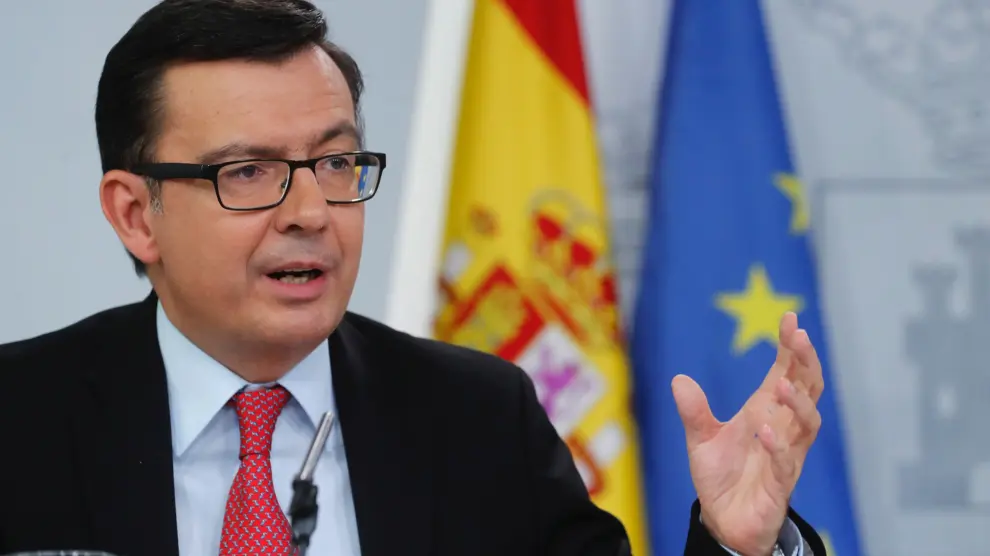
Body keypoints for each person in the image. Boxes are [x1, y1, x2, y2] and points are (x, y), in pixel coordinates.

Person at [0, 1, 830, 555]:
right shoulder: (20, 419)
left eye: (335, 162)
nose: (310, 211)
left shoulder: (478, 420)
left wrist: (738, 546)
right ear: (135, 215)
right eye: (249, 172)